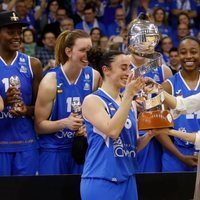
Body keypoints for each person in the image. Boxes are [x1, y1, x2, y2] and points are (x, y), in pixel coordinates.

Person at [80, 49, 159, 200]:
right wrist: (129, 96)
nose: (129, 73)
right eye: (123, 68)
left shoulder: (131, 103)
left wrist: (150, 134)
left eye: (130, 68)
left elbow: (132, 146)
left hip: (128, 178)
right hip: (101, 179)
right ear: (106, 70)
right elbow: (112, 131)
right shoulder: (93, 100)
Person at [34, 29, 101, 175]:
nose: (87, 54)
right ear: (69, 52)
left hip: (83, 148)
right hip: (53, 150)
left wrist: (88, 128)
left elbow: (100, 116)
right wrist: (64, 123)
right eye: (82, 50)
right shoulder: (50, 81)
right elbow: (39, 126)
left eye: (89, 49)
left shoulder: (94, 76)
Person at [0, 11, 43, 176]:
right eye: (10, 32)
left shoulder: (33, 64)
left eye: (19, 32)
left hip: (26, 145)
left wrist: (26, 110)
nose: (17, 36)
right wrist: (4, 100)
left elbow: (42, 110)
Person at [157, 36, 200, 172]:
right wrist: (180, 156)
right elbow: (159, 129)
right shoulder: (168, 85)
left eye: (193, 52)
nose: (188, 56)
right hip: (175, 153)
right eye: (183, 52)